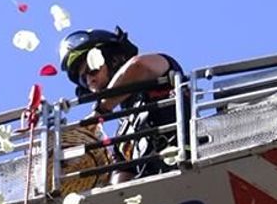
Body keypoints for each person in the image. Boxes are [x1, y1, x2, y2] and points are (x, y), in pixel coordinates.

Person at [58, 27, 185, 178]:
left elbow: (138, 66)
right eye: (83, 79)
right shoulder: (121, 136)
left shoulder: (161, 75)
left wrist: (101, 110)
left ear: (114, 60)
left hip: (184, 165)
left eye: (92, 69)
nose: (89, 80)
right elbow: (120, 186)